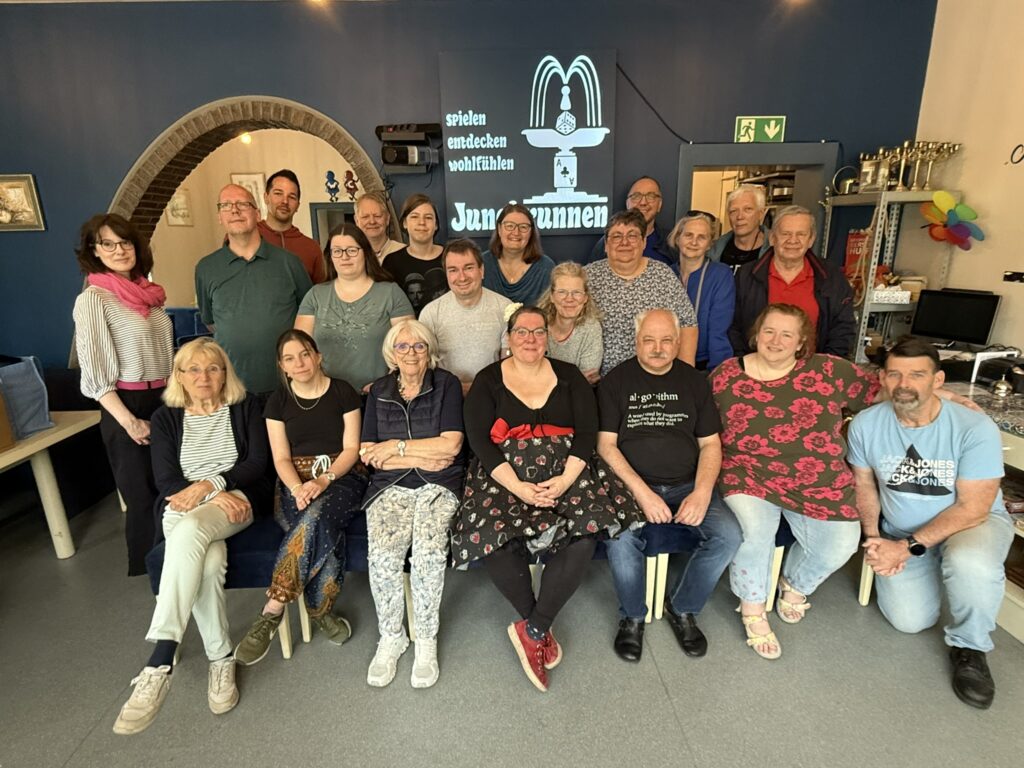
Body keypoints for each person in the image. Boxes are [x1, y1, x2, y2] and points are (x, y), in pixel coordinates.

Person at [450, 306, 642, 692]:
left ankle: (534, 628)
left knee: (585, 532)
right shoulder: (487, 381)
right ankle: (534, 624)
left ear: (547, 338)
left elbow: (587, 432)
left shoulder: (570, 377)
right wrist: (518, 487)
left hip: (566, 469)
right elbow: (480, 442)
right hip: (504, 473)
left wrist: (566, 478)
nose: (530, 339)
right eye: (522, 332)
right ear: (508, 337)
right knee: (491, 536)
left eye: (538, 332)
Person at [112, 338, 271, 735]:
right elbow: (166, 481)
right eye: (194, 369)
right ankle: (220, 659)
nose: (204, 377)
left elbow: (257, 464)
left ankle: (160, 657)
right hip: (182, 506)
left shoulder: (245, 406)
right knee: (210, 559)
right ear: (179, 376)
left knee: (196, 530)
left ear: (225, 373)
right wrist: (204, 495)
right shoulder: (166, 418)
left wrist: (215, 487)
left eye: (213, 368)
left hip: (235, 502)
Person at [848, 338, 1015, 710]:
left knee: (970, 562)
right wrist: (875, 540)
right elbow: (864, 484)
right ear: (883, 379)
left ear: (938, 380)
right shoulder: (865, 425)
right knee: (909, 621)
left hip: (970, 526)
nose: (904, 384)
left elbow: (973, 508)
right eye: (895, 374)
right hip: (899, 533)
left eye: (917, 374)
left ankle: (970, 647)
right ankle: (941, 574)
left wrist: (905, 548)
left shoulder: (974, 427)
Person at [711, 304, 878, 660]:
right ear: (756, 334)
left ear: (801, 342)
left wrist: (944, 396)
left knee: (841, 544)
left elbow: (882, 390)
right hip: (747, 473)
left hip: (817, 477)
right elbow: (700, 424)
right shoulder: (726, 375)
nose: (776, 340)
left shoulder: (830, 371)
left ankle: (794, 584)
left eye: (787, 334)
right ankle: (753, 607)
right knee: (754, 532)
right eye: (769, 331)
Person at [598, 310, 741, 662]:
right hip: (632, 485)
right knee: (620, 541)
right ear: (637, 342)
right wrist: (642, 493)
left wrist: (702, 491)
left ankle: (683, 608)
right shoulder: (615, 382)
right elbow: (606, 445)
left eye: (666, 341)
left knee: (729, 536)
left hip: (687, 484)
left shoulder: (694, 382)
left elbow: (710, 444)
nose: (658, 348)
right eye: (649, 340)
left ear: (678, 343)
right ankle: (632, 617)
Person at [233, 330, 368, 666]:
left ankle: (272, 608)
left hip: (342, 476)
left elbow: (352, 448)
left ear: (318, 356)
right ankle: (320, 610)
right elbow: (280, 458)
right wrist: (297, 487)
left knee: (318, 515)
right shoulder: (277, 402)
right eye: (290, 358)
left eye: (305, 354)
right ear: (282, 366)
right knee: (323, 528)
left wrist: (323, 480)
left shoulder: (343, 392)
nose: (300, 362)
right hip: (294, 482)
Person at [360, 319, 465, 689]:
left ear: (429, 351)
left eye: (419, 347)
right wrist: (416, 454)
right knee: (384, 559)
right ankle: (392, 637)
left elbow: (451, 446)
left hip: (440, 484)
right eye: (403, 347)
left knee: (428, 556)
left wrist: (397, 449)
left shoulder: (447, 384)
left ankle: (425, 638)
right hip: (388, 485)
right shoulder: (379, 391)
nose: (411, 353)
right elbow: (369, 452)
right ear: (392, 352)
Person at [73, 213, 174, 577]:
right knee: (141, 492)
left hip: (165, 397)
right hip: (126, 404)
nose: (119, 250)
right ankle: (154, 571)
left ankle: (181, 558)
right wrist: (129, 421)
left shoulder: (151, 295)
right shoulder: (94, 300)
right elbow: (96, 375)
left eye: (125, 242)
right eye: (108, 244)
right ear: (94, 251)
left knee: (171, 484)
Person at [195, 184, 312, 397]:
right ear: (219, 216)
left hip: (288, 384)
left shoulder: (289, 263)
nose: (235, 210)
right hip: (232, 387)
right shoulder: (206, 268)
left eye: (242, 204)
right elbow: (210, 321)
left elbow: (309, 318)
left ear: (257, 214)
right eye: (226, 205)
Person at [294, 223, 413, 391]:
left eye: (352, 250)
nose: (344, 257)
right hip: (328, 396)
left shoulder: (390, 292)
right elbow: (299, 349)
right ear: (330, 256)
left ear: (365, 252)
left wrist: (388, 383)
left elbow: (410, 347)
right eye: (337, 251)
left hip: (378, 395)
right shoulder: (315, 295)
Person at [729, 205, 855, 358]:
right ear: (773, 238)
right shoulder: (746, 276)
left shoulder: (831, 277)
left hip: (814, 372)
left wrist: (824, 368)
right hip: (758, 369)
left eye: (801, 234)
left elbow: (843, 330)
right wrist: (746, 363)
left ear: (811, 240)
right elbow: (732, 327)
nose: (793, 240)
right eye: (786, 234)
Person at [585, 209, 698, 375]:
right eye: (616, 236)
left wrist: (686, 376)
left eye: (632, 235)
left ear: (644, 242)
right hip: (600, 381)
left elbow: (687, 324)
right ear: (606, 245)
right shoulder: (588, 277)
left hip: (653, 379)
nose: (625, 242)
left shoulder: (662, 275)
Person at [419, 238, 511, 394]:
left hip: (492, 394)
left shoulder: (505, 309)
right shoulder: (431, 313)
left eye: (468, 268)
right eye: (453, 270)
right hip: (444, 395)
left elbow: (509, 364)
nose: (462, 277)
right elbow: (424, 367)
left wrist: (480, 389)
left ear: (481, 270)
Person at [669, 212, 736, 370]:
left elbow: (719, 330)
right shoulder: (666, 274)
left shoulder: (721, 275)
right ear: (678, 238)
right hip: (667, 361)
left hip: (704, 363)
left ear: (710, 244)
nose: (694, 242)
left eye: (702, 237)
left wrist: (716, 373)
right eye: (688, 235)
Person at [536, 261, 603, 384]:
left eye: (576, 292)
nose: (569, 299)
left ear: (585, 298)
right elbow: (529, 371)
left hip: (576, 398)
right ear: (551, 296)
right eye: (562, 292)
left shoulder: (591, 328)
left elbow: (589, 378)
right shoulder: (537, 323)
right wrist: (574, 378)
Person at [381, 193, 447, 315]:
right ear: (404, 223)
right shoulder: (392, 262)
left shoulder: (450, 257)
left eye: (428, 217)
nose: (422, 222)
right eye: (414, 217)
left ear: (436, 225)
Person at [258, 169, 327, 284]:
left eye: (292, 197)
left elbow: (320, 294)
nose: (285, 201)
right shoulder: (248, 237)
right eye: (278, 193)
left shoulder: (311, 248)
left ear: (298, 205)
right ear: (266, 197)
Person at [586, 176, 673, 267]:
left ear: (659, 204)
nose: (643, 202)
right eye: (636, 196)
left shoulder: (671, 243)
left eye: (651, 196)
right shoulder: (606, 242)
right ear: (627, 203)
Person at [481, 203, 555, 305]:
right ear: (499, 229)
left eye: (523, 227)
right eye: (509, 226)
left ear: (531, 232)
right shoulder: (482, 263)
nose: (516, 232)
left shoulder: (546, 267)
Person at [708, 184, 771, 273]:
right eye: (733, 211)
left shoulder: (775, 249)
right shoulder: (714, 251)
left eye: (747, 209)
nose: (740, 216)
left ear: (761, 213)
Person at [355, 191, 405, 263]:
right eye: (365, 217)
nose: (372, 222)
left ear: (387, 219)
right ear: (356, 220)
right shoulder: (350, 257)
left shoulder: (404, 254)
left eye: (377, 216)